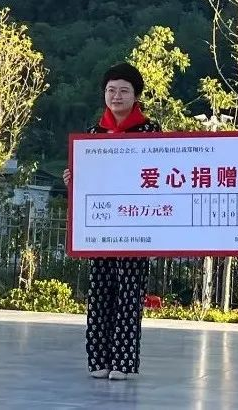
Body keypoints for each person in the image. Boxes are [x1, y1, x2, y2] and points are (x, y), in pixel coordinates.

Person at [63, 62, 159, 381]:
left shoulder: (150, 131)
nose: (116, 96)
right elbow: (89, 183)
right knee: (100, 292)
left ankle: (123, 362)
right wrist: (73, 179)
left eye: (124, 91)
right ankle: (98, 360)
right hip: (102, 228)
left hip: (136, 228)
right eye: (110, 90)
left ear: (136, 95)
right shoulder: (94, 134)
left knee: (129, 295)